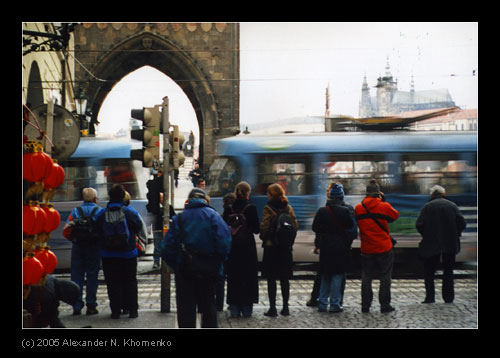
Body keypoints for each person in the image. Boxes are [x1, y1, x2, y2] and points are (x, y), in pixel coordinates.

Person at [161, 188, 231, 328]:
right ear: (204, 200)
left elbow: (166, 248)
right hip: (208, 269)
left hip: (185, 271)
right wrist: (217, 262)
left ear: (189, 200)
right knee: (209, 306)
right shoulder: (213, 216)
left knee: (186, 309)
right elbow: (225, 243)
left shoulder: (179, 218)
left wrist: (178, 264)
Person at [94, 184, 144, 319]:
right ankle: (132, 310)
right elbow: (138, 227)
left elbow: (96, 230)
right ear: (123, 197)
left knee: (113, 283)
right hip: (128, 253)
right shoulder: (130, 211)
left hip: (108, 254)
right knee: (130, 281)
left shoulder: (102, 213)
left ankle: (115, 311)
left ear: (110, 197)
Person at [307, 183, 358, 307]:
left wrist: (319, 242)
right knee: (338, 275)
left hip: (326, 246)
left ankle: (322, 303)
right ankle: (335, 303)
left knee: (325, 275)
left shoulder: (323, 210)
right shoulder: (347, 210)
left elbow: (316, 228)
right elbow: (352, 228)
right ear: (341, 196)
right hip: (341, 247)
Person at [416, 185, 466, 304]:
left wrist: (426, 235)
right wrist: (455, 234)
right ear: (444, 194)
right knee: (448, 271)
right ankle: (448, 298)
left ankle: (430, 297)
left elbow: (419, 224)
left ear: (432, 195)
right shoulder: (452, 206)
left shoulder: (427, 207)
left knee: (429, 272)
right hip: (450, 243)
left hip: (431, 244)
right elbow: (462, 223)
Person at [355, 179, 399, 313]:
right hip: (384, 247)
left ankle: (365, 305)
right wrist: (383, 200)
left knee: (366, 276)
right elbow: (394, 216)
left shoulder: (358, 208)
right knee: (385, 276)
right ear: (378, 193)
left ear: (366, 193)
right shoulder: (383, 206)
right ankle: (385, 305)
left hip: (367, 248)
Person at [62, 187, 104, 316]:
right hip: (94, 247)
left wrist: (73, 239)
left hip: (78, 246)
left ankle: (77, 305)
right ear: (95, 199)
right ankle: (91, 305)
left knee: (76, 276)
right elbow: (103, 229)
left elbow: (67, 229)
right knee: (92, 276)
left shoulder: (75, 211)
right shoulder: (100, 211)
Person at [260, 183, 298, 317]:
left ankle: (272, 308)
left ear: (271, 195)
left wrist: (264, 237)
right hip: (285, 249)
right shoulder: (288, 208)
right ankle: (286, 307)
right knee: (284, 279)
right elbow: (295, 226)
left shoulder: (268, 208)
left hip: (272, 248)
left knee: (271, 279)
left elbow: (264, 227)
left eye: (268, 193)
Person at [222, 182, 260, 318]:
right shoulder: (251, 208)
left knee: (233, 278)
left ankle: (234, 309)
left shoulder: (228, 209)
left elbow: (223, 228)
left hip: (233, 248)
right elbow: (257, 230)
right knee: (248, 277)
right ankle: (247, 308)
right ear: (248, 193)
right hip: (247, 249)